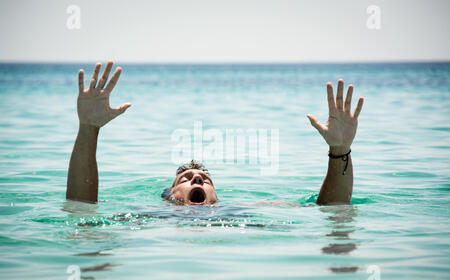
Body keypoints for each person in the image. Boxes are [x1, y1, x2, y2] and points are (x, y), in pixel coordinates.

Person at [66, 61, 364, 206]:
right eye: (186, 178)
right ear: (168, 196)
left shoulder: (241, 215)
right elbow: (82, 213)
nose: (197, 178)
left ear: (216, 197)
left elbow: (333, 213)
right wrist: (88, 129)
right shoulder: (147, 221)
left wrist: (340, 151)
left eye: (205, 179)